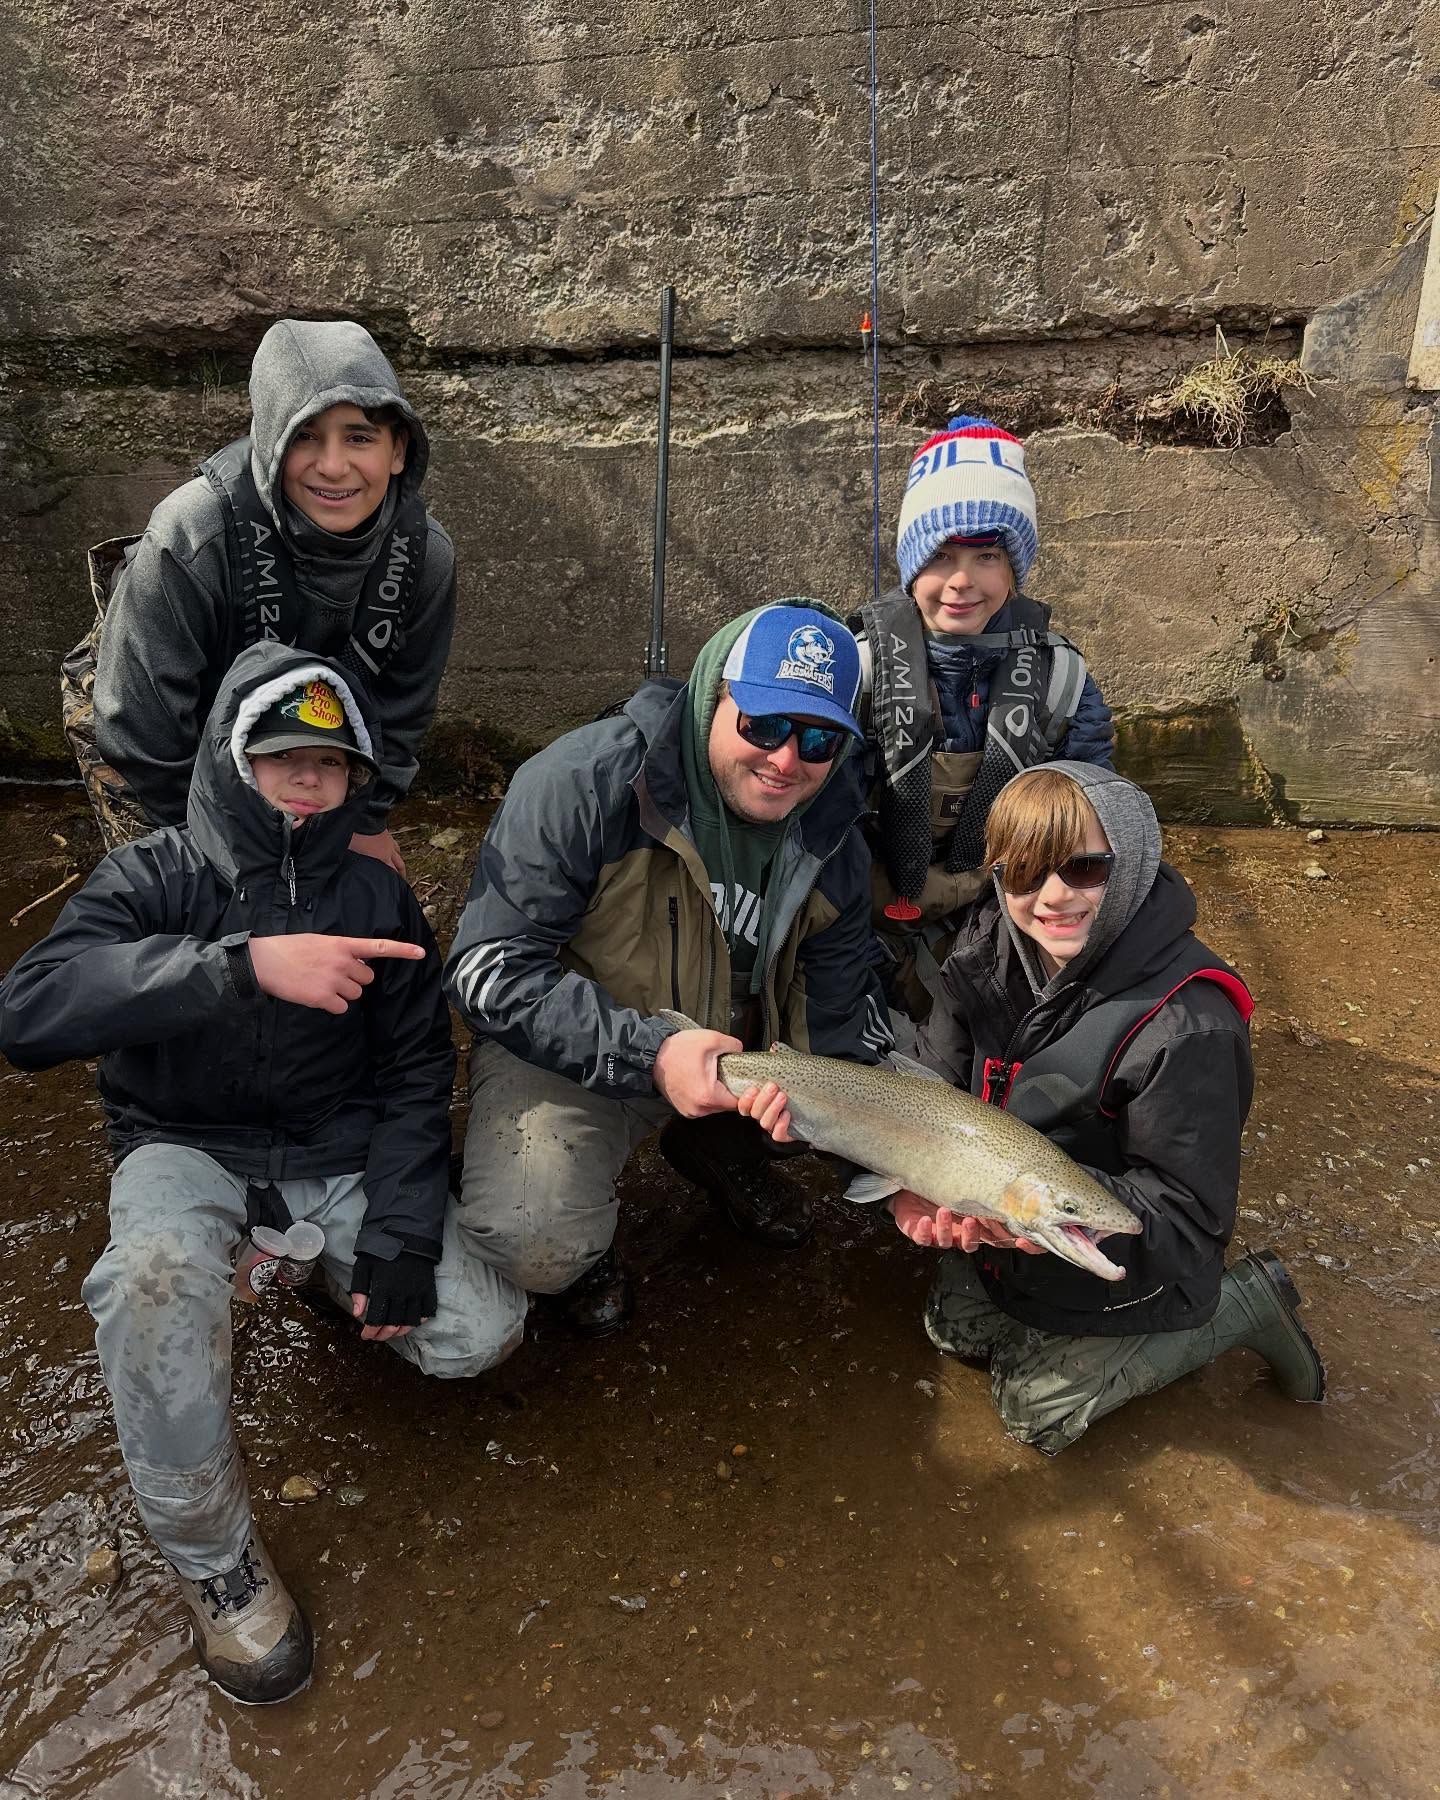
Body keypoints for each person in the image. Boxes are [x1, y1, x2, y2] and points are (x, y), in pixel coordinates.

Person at [0, 644, 525, 1704]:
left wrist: (403, 1235)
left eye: (326, 765)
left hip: (333, 1149)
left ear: (351, 781)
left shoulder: (380, 899)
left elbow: (420, 1069)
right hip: (181, 1147)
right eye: (278, 756)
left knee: (480, 1334)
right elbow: (30, 1011)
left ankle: (328, 1282)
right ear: (231, 764)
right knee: (152, 1283)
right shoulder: (153, 875)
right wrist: (236, 968)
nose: (302, 779)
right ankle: (217, 1567)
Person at [444, 602, 894, 1335]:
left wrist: (854, 1145)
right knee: (536, 1240)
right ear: (716, 694)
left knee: (885, 1063)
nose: (786, 760)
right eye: (766, 724)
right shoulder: (584, 781)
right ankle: (573, 1243)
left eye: (817, 739)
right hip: (593, 1044)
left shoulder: (835, 831)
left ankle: (719, 1147)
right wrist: (651, 1055)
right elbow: (487, 972)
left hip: (743, 1065)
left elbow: (838, 1012)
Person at [889, 762, 1325, 1453]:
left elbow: (1186, 1219)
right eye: (1025, 874)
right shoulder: (983, 948)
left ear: (1134, 863)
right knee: (954, 1330)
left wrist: (1038, 1221)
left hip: (1119, 1241)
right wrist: (909, 1182)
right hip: (1017, 1213)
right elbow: (929, 1080)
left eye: (1085, 868)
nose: (1053, 896)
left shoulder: (1189, 1026)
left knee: (1032, 1413)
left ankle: (1242, 1305)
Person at [62, 318, 457, 873]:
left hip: (310, 720)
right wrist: (216, 856)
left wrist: (367, 821)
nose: (334, 465)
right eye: (304, 436)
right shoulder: (193, 533)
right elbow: (139, 726)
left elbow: (404, 706)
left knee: (326, 881)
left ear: (399, 451)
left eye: (360, 437)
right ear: (269, 447)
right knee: (177, 896)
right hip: (155, 718)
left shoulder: (426, 556)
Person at [850, 415, 1114, 1022]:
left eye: (988, 556)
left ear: (1015, 569)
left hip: (999, 912)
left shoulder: (1065, 683)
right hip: (859, 911)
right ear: (911, 565)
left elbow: (1091, 833)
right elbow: (816, 835)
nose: (962, 581)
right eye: (941, 556)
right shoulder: (857, 673)